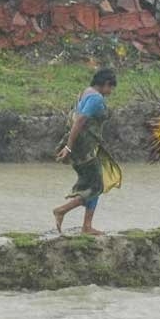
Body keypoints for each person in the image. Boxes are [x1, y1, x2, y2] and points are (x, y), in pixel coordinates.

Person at [53, 68, 122, 235]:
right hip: (84, 149)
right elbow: (80, 120)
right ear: (105, 84)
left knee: (93, 182)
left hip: (84, 146)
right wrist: (69, 147)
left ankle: (87, 226)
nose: (111, 92)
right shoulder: (96, 98)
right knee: (97, 186)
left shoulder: (86, 92)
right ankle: (61, 210)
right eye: (111, 87)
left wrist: (69, 145)